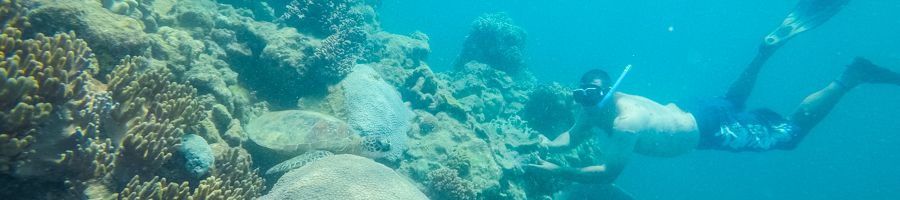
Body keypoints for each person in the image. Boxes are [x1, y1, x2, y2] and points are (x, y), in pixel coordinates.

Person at [519, 0, 897, 186]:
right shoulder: (593, 103)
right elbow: (574, 134)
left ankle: (851, 76)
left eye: (587, 97)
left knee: (788, 137)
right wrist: (545, 144)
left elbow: (607, 173)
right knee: (733, 102)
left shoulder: (627, 120)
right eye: (581, 96)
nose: (582, 102)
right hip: (693, 114)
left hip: (710, 129)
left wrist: (557, 171)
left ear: (605, 91)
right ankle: (764, 52)